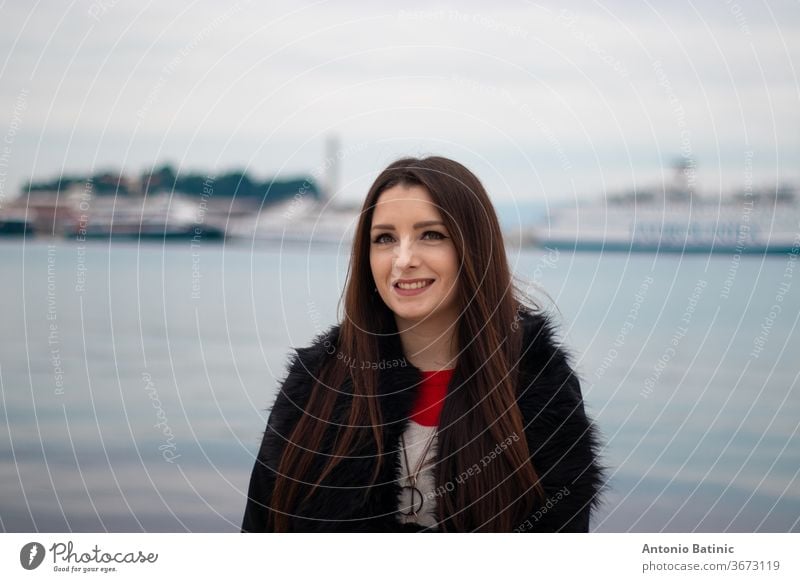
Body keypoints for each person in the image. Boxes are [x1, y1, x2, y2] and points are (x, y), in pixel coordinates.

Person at [241, 156, 604, 532]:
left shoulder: (538, 385)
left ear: (474, 248)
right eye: (384, 239)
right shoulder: (313, 385)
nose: (403, 260)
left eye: (431, 234)